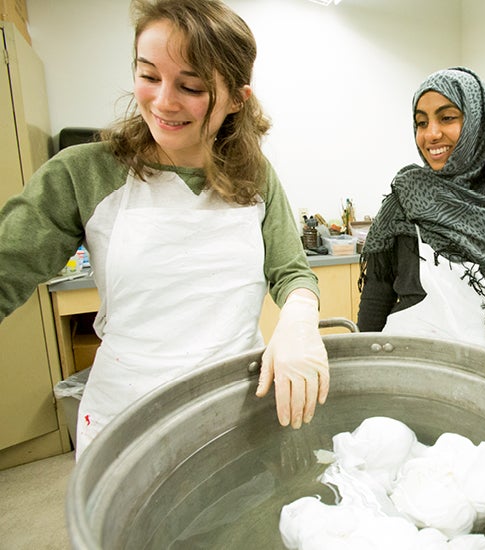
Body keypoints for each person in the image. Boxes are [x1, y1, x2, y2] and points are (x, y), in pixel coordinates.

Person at [0, 0, 329, 459]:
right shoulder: (86, 174)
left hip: (233, 409)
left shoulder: (254, 174)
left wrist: (299, 321)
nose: (163, 101)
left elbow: (291, 270)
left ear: (237, 98)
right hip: (128, 417)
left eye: (191, 86)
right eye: (149, 76)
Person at [357, 67, 485, 364]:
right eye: (421, 122)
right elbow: (376, 298)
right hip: (410, 364)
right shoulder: (406, 198)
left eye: (447, 117)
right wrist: (364, 363)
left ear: (478, 122)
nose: (431, 134)